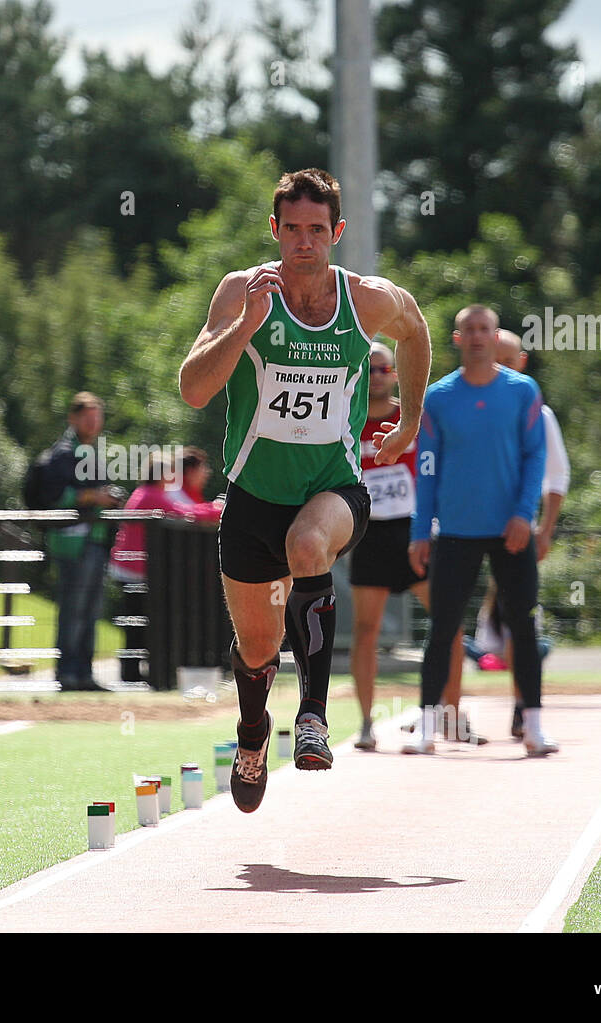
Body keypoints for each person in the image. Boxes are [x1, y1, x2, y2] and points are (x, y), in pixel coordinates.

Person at [179, 168, 432, 813]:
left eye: (316, 231)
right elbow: (194, 388)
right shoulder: (242, 291)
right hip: (251, 501)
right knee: (258, 648)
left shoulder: (366, 301)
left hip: (333, 488)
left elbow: (416, 328)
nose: (303, 243)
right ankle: (253, 732)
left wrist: (407, 420)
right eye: (291, 230)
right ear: (275, 230)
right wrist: (247, 325)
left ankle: (314, 717)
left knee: (309, 543)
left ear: (336, 234)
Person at [406, 305, 557, 757]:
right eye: (468, 330)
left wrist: (522, 515)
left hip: (511, 531)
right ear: (457, 338)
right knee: (443, 629)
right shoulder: (438, 398)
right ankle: (427, 727)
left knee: (524, 627)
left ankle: (532, 726)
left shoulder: (523, 391)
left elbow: (536, 459)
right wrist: (420, 530)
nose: (476, 337)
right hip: (454, 530)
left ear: (495, 337)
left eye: (484, 330)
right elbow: (426, 468)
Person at [349, 341, 485, 750]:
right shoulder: (347, 419)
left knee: (449, 624)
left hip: (414, 533)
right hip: (370, 533)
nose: (376, 376)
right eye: (369, 370)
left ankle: (451, 715)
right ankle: (366, 723)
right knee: (365, 631)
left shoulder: (415, 418)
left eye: (383, 369)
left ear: (395, 373)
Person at [494, 327, 570, 737]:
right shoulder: (461, 401)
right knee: (454, 619)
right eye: (495, 358)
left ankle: (524, 704)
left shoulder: (537, 413)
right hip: (469, 531)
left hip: (518, 533)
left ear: (521, 363)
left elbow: (556, 475)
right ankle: (439, 715)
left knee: (520, 617)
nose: (502, 367)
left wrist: (545, 530)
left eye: (509, 360)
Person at [30, 391, 124, 692]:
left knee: (91, 609)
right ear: (73, 419)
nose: (94, 422)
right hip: (71, 542)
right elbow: (55, 497)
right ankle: (67, 673)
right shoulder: (61, 454)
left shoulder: (90, 452)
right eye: (87, 417)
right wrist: (96, 496)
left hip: (94, 541)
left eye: (98, 417)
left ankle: (84, 673)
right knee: (73, 608)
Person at [108, 447, 223, 682]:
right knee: (138, 622)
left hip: (131, 568)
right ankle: (132, 673)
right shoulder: (152, 494)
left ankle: (131, 671)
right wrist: (216, 509)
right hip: (135, 569)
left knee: (136, 621)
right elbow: (183, 511)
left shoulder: (145, 492)